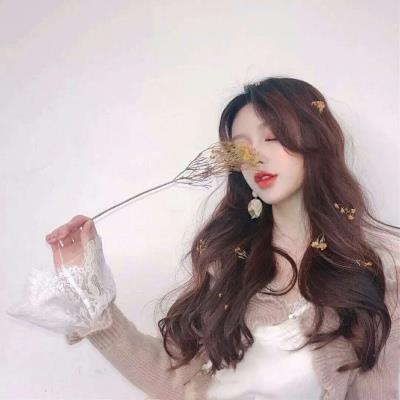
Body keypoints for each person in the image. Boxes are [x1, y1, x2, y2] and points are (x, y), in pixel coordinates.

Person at [45, 77, 400, 400]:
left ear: (315, 140)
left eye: (272, 137)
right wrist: (83, 282)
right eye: (240, 149)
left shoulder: (378, 271)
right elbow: (174, 379)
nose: (255, 157)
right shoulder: (229, 260)